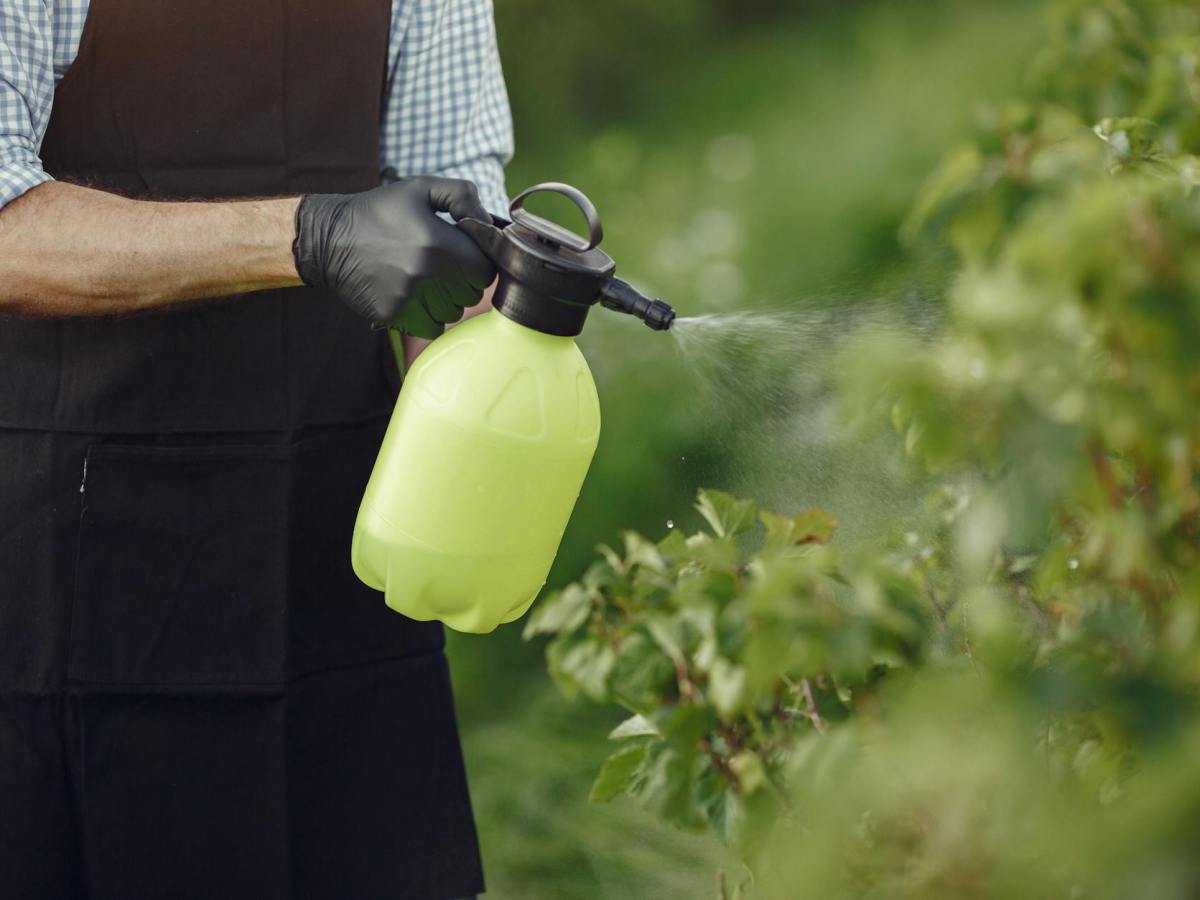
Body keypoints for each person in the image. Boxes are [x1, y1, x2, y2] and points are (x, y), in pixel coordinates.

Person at [0, 1, 513, 898]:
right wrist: (309, 234)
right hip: (71, 552)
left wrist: (505, 315)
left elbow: (456, 202)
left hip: (332, 546)